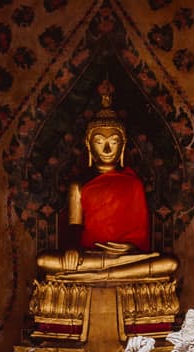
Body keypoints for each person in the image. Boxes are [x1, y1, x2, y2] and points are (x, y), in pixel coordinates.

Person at [35, 84, 178, 282]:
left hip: (126, 258)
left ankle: (100, 276)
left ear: (122, 146)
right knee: (44, 261)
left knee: (170, 263)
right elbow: (75, 230)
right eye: (100, 142)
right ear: (89, 145)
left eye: (114, 142)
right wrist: (72, 252)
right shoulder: (79, 186)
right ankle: (101, 274)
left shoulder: (133, 184)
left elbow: (140, 236)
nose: (108, 148)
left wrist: (131, 248)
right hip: (89, 256)